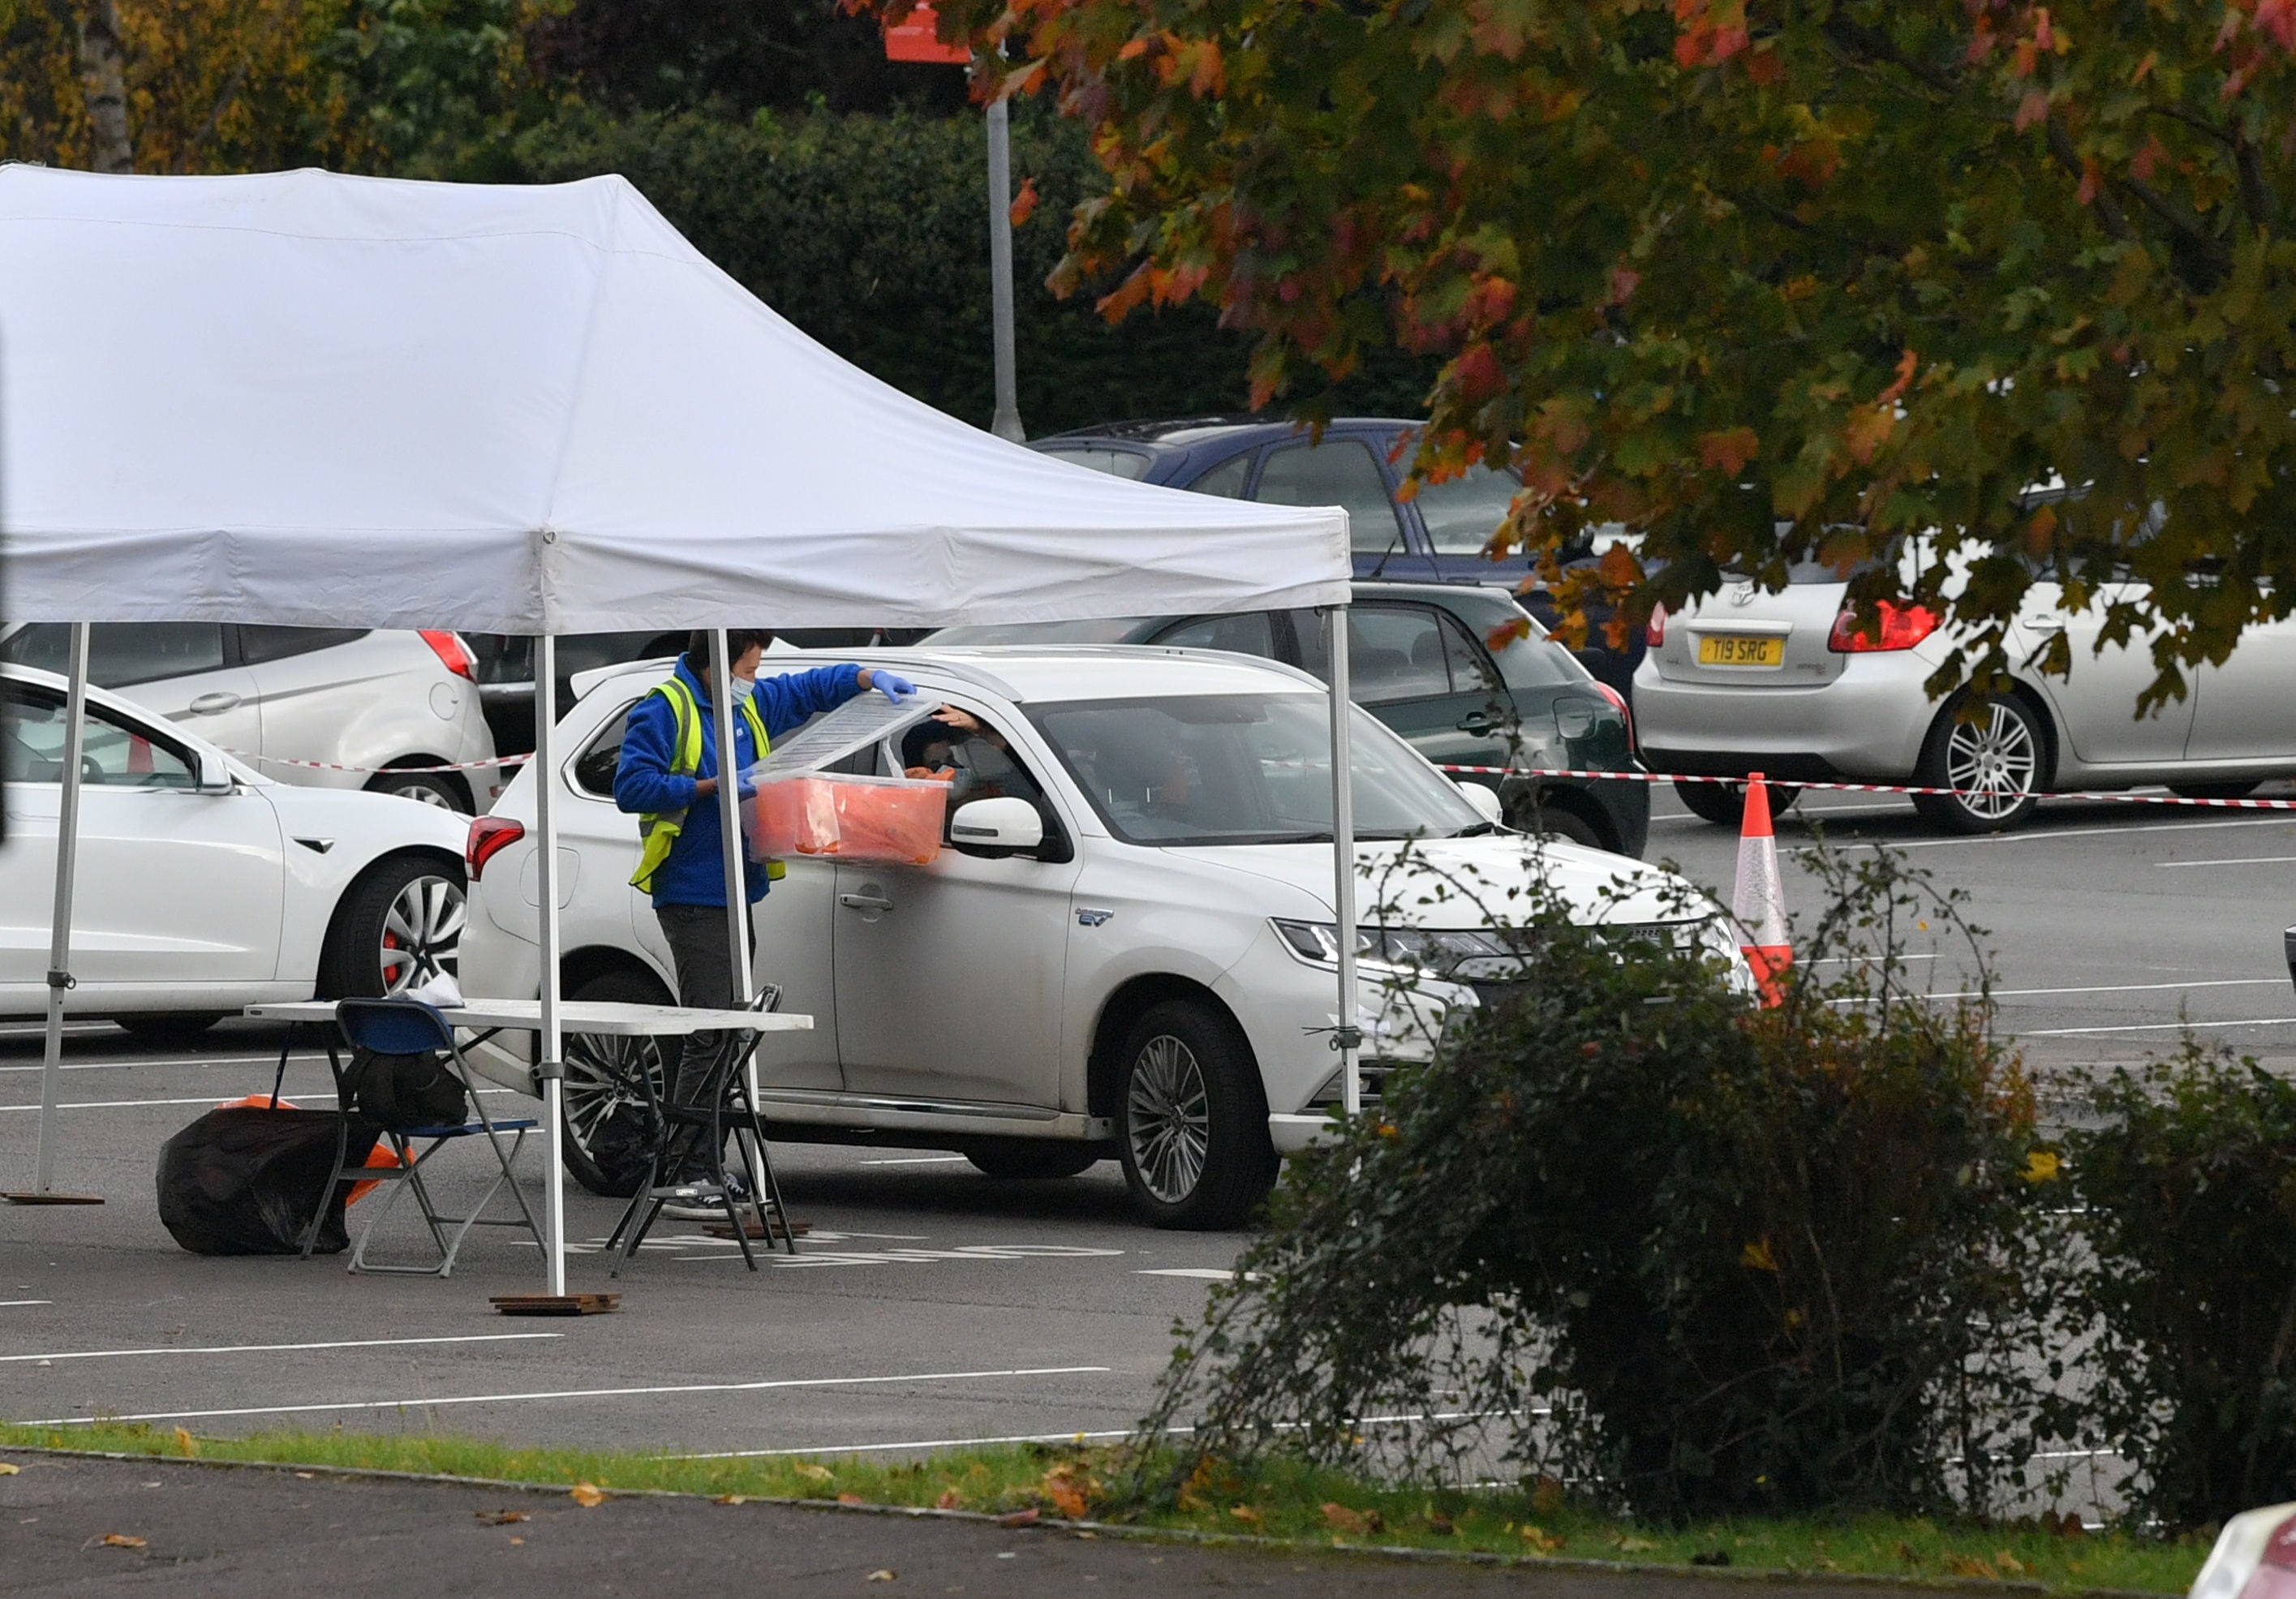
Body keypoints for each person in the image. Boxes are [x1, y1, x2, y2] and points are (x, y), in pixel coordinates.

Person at [613, 630, 914, 1219]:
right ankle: (689, 1170)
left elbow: (805, 690)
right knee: (713, 1027)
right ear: (719, 661)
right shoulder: (667, 708)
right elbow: (631, 786)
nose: (755, 674)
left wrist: (863, 678)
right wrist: (710, 787)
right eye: (750, 663)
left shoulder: (744, 703)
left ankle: (703, 1162)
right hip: (693, 894)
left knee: (728, 1028)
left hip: (734, 891)